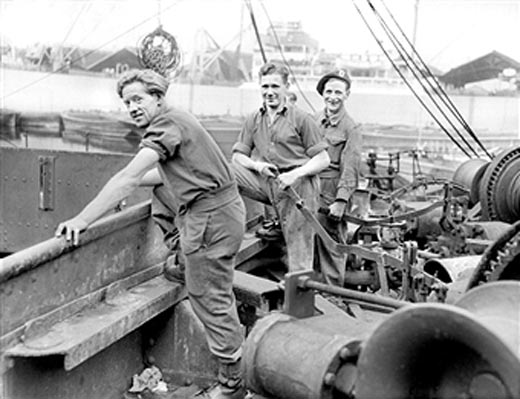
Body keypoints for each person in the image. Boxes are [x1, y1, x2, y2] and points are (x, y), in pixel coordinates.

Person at [55, 69, 246, 399]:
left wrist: (83, 218)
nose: (132, 107)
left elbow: (131, 176)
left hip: (211, 219)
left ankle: (233, 382)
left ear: (158, 98)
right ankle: (188, 264)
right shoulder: (177, 118)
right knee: (162, 193)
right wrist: (118, 187)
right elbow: (161, 173)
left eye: (138, 99)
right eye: (127, 102)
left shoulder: (166, 124)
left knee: (209, 297)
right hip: (218, 209)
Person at [231, 62, 330, 272]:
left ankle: (300, 295)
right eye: (265, 87)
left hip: (299, 186)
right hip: (269, 181)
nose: (269, 92)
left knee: (299, 251)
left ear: (287, 87)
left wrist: (295, 174)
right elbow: (238, 157)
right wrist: (257, 166)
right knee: (224, 172)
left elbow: (323, 159)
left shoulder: (302, 118)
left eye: (275, 86)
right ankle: (221, 230)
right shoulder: (254, 119)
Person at [313, 69, 362, 287]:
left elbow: (350, 168)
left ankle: (333, 298)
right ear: (322, 93)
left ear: (347, 95)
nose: (333, 96)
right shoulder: (313, 121)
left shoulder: (351, 128)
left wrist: (341, 201)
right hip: (309, 187)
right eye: (329, 91)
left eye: (338, 92)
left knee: (330, 247)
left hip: (331, 192)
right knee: (307, 244)